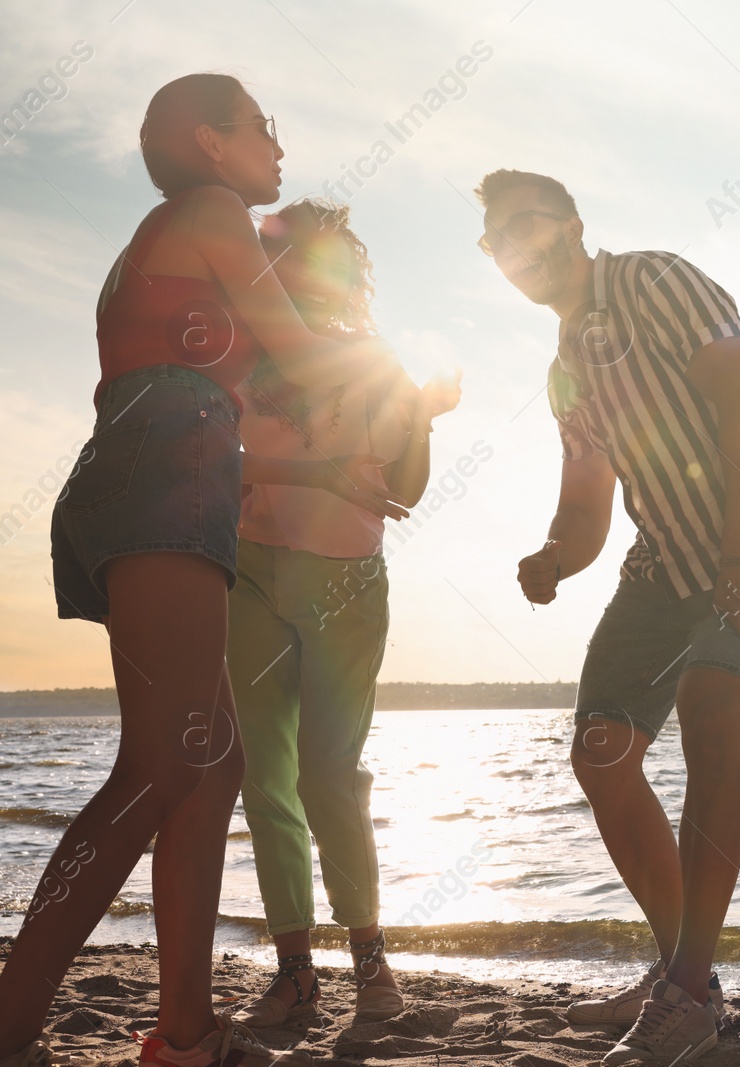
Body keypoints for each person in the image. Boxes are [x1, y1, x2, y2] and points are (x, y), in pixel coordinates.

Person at [0, 75, 390, 1067]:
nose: (278, 144)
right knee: (165, 762)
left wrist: (320, 451)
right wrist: (395, 379)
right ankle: (7, 1024)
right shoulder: (211, 211)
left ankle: (184, 1031)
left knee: (210, 761)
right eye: (265, 125)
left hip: (162, 481)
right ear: (212, 144)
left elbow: (214, 390)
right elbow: (297, 353)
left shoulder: (171, 239)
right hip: (166, 484)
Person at [476, 169, 740, 1066]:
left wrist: (738, 561)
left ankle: (686, 990)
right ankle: (683, 974)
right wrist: (554, 554)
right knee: (601, 754)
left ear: (575, 224)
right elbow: (587, 503)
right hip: (658, 574)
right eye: (499, 241)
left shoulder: (656, 281)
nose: (519, 249)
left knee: (709, 711)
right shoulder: (563, 365)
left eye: (530, 226)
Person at [224, 199, 461, 1027]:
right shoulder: (237, 352)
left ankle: (370, 963)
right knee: (265, 777)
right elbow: (218, 459)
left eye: (296, 253)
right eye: (271, 252)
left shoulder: (372, 359)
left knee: (331, 774)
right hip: (246, 572)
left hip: (346, 582)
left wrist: (424, 414)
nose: (280, 266)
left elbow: (404, 488)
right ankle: (294, 970)